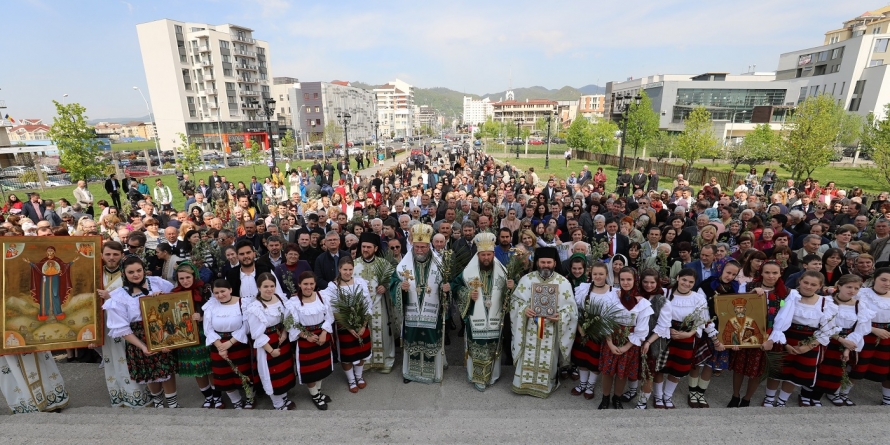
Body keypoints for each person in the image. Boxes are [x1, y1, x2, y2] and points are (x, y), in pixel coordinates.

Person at [103, 256, 179, 408]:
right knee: (149, 372)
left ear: (144, 270)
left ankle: (173, 405)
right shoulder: (118, 295)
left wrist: (163, 298)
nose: (136, 274)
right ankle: (158, 403)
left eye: (139, 270)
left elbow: (176, 301)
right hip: (137, 337)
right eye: (131, 272)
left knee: (166, 371)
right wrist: (143, 346)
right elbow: (122, 328)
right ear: (124, 273)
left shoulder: (158, 283)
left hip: (161, 332)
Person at [761, 271, 839, 407]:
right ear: (800, 281)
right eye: (806, 282)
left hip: (809, 341)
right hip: (784, 337)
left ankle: (782, 401)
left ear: (820, 286)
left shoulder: (825, 303)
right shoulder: (789, 296)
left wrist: (807, 347)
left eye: (813, 284)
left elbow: (827, 330)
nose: (808, 286)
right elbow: (777, 320)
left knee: (794, 374)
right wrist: (784, 344)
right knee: (777, 370)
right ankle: (769, 398)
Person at [509, 246, 578, 398]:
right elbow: (514, 301)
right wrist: (524, 309)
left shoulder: (563, 283)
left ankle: (545, 385)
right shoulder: (526, 280)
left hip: (550, 330)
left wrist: (560, 317)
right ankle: (522, 384)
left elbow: (572, 311)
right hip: (529, 327)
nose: (545, 265)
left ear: (554, 263)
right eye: (542, 262)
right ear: (537, 262)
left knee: (548, 357)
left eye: (549, 262)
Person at [390, 223, 449, 384]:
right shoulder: (403, 266)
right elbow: (393, 284)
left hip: (432, 312)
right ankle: (410, 372)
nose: (420, 250)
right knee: (412, 339)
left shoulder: (440, 264)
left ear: (429, 246)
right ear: (412, 245)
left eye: (423, 247)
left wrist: (446, 289)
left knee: (432, 339)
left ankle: (433, 373)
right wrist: (400, 287)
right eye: (417, 247)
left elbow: (447, 286)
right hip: (412, 312)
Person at [453, 232, 511, 392]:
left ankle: (493, 375)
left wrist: (511, 288)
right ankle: (477, 377)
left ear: (493, 254)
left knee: (493, 346)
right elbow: (455, 287)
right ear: (478, 255)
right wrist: (467, 295)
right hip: (476, 319)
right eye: (483, 255)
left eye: (489, 254)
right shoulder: (467, 273)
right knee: (477, 347)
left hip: (495, 318)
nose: (486, 258)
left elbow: (511, 296)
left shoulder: (503, 273)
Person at [653, 268, 714, 409]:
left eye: (691, 282)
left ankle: (667, 396)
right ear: (678, 278)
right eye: (684, 280)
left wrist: (689, 333)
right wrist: (667, 329)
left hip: (686, 336)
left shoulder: (698, 298)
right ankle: (657, 397)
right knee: (661, 367)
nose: (686, 284)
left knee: (677, 369)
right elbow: (655, 314)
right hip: (664, 333)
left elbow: (702, 320)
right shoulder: (665, 293)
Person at [811, 275, 873, 406]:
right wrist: (840, 340)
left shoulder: (859, 305)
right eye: (849, 287)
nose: (852, 290)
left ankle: (833, 392)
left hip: (848, 341)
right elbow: (824, 324)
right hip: (828, 339)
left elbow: (861, 328)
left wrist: (847, 347)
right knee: (823, 368)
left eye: (856, 288)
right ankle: (815, 395)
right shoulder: (827, 301)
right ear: (839, 286)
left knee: (840, 368)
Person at [597, 267, 653, 409]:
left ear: (635, 280)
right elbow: (604, 320)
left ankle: (617, 398)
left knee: (622, 373)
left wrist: (626, 347)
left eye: (629, 279)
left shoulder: (642, 303)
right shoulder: (611, 296)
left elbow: (641, 330)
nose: (625, 282)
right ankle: (605, 398)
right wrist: (610, 343)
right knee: (608, 372)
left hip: (629, 341)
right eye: (622, 279)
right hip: (611, 338)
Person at [320, 257, 373, 393]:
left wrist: (363, 325)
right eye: (345, 270)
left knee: (361, 351)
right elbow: (335, 311)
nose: (348, 272)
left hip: (361, 322)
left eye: (350, 269)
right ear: (339, 269)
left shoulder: (360, 283)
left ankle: (359, 376)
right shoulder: (333, 286)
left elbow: (367, 306)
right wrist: (349, 328)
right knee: (348, 354)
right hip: (344, 325)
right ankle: (351, 380)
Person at [245, 272, 297, 410]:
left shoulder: (279, 298)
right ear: (259, 287)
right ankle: (278, 404)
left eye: (272, 286)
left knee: (283, 370)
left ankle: (283, 396)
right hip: (267, 344)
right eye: (265, 286)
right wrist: (271, 350)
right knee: (272, 373)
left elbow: (286, 319)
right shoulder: (255, 307)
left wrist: (285, 333)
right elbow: (256, 334)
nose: (269, 289)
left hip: (281, 339)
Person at [171, 263, 220, 409]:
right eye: (182, 278)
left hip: (204, 332)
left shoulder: (205, 289)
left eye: (188, 277)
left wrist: (203, 317)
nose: (185, 281)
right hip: (186, 335)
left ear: (194, 276)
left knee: (209, 366)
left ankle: (217, 396)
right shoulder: (174, 293)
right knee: (196, 367)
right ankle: (208, 396)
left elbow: (217, 309)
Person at [283, 272, 335, 410]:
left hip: (321, 336)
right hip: (306, 338)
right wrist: (306, 336)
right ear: (299, 285)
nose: (309, 287)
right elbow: (289, 324)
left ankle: (318, 392)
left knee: (322, 367)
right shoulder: (293, 303)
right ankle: (315, 396)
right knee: (310, 370)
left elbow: (329, 317)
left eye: (311, 284)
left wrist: (324, 332)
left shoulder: (322, 297)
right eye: (305, 284)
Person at [203, 279, 255, 409]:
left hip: (238, 343)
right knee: (224, 375)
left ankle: (250, 397)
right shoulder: (211, 306)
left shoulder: (243, 303)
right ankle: (236, 400)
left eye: (223, 291)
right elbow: (207, 328)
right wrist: (220, 346)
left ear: (230, 290)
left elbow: (246, 326)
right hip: (218, 345)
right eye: (216, 292)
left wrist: (230, 343)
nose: (220, 295)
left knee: (243, 373)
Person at [350, 232, 397, 373]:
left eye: (368, 247)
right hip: (361, 307)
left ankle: (386, 362)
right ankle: (365, 361)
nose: (365, 250)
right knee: (364, 334)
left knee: (382, 333)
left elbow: (395, 281)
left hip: (380, 305)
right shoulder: (353, 264)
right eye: (363, 247)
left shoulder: (384, 264)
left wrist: (386, 286)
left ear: (376, 248)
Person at [570, 262, 615, 401]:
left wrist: (600, 330)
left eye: (601, 274)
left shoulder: (613, 292)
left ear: (607, 274)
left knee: (594, 361)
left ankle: (590, 386)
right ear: (590, 274)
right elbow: (576, 310)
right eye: (595, 274)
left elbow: (612, 315)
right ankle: (582, 383)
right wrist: (581, 328)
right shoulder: (583, 289)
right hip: (583, 329)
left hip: (600, 333)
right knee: (582, 359)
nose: (598, 276)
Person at [847, 267, 890, 406]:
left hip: (887, 335)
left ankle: (887, 397)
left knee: (887, 367)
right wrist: (873, 329)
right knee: (858, 365)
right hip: (865, 333)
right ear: (874, 279)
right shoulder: (862, 294)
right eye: (883, 279)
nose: (887, 283)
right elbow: (851, 315)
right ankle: (842, 393)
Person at [24, 246, 77, 321]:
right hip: (45, 280)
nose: (50, 252)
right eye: (48, 251)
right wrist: (30, 263)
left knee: (55, 294)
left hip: (55, 279)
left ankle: (58, 313)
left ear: (54, 252)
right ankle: (44, 314)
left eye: (51, 251)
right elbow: (37, 267)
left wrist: (72, 262)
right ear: (46, 252)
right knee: (45, 295)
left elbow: (64, 266)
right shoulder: (44, 260)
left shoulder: (57, 260)